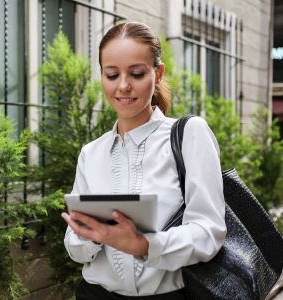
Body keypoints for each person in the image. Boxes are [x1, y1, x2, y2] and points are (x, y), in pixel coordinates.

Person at [61, 21, 227, 299]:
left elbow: (209, 233)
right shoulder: (91, 153)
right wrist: (89, 235)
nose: (123, 86)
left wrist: (144, 245)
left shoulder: (189, 135)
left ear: (158, 73)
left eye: (136, 73)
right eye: (112, 75)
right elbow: (75, 249)